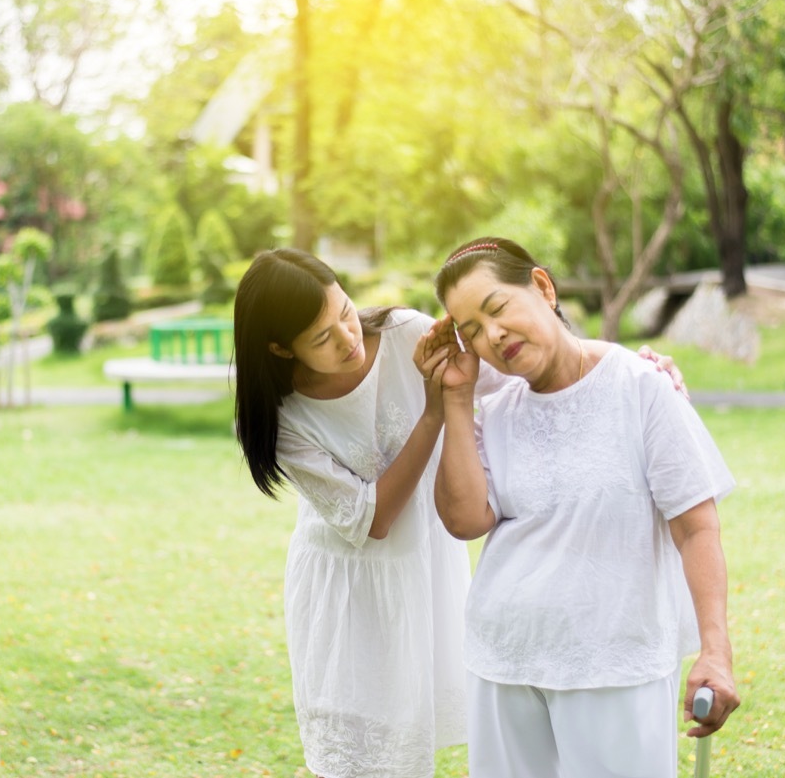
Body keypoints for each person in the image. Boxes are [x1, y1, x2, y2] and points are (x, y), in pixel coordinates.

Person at [233, 248, 687, 778]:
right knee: (365, 757)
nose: (347, 338)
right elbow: (372, 521)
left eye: (345, 313)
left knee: (430, 736)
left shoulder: (406, 334)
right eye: (321, 338)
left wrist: (626, 365)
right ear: (279, 349)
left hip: (425, 568)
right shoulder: (284, 418)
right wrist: (433, 411)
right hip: (351, 588)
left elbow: (518, 369)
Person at [425, 237, 740, 778]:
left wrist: (716, 649)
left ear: (543, 288)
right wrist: (455, 398)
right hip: (504, 663)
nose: (492, 335)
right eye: (471, 329)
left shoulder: (641, 387)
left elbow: (696, 528)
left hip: (617, 664)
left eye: (497, 308)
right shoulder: (495, 411)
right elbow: (464, 520)